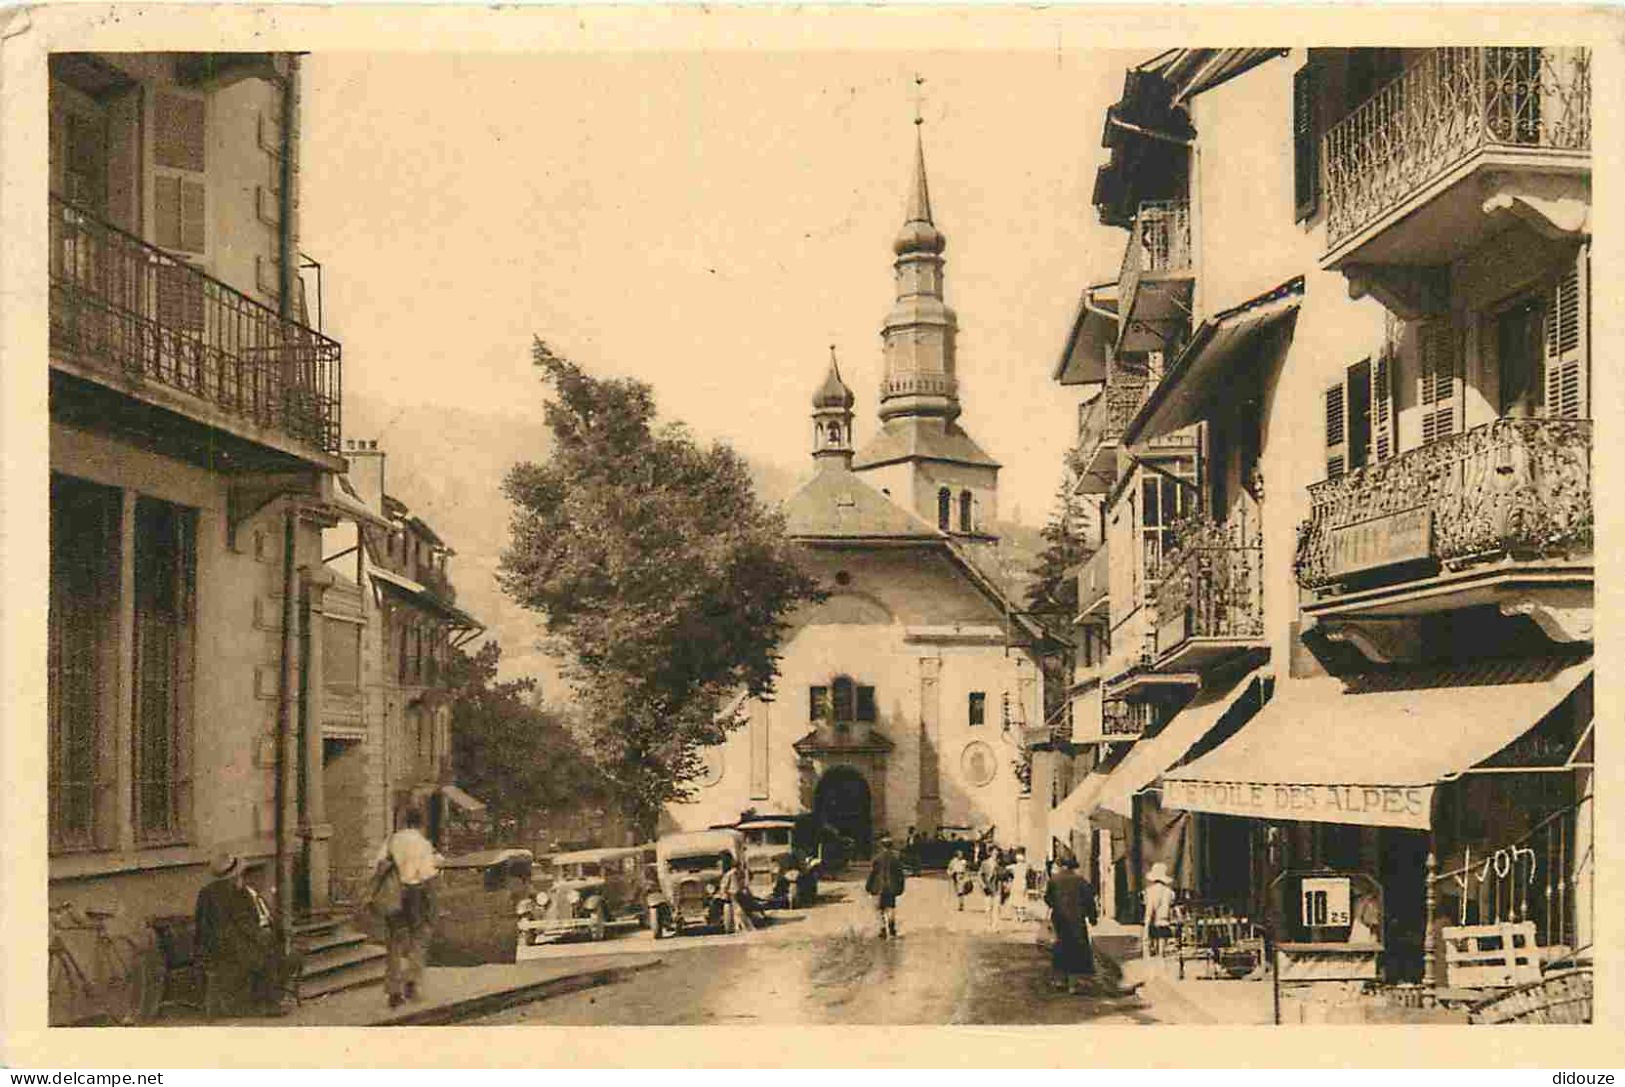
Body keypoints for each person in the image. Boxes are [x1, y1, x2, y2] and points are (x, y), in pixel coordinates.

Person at [193, 852, 291, 1017]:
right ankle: (266, 1004)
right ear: (235, 875)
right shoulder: (237, 892)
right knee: (266, 956)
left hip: (213, 945)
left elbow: (202, 924)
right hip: (231, 947)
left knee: (263, 951)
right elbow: (245, 924)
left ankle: (263, 1001)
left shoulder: (206, 892)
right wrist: (261, 937)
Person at [372, 807, 444, 1009]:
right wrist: (432, 902)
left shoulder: (392, 840)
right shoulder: (423, 844)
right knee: (419, 938)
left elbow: (379, 865)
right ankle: (411, 981)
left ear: (404, 822)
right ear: (421, 824)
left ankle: (393, 992)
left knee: (394, 943)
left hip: (394, 894)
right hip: (415, 894)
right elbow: (428, 874)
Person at [1044, 853, 1099, 994]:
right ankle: (1072, 985)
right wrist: (1093, 918)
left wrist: (1057, 906)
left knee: (1061, 946)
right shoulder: (1081, 881)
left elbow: (1048, 899)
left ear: (1062, 866)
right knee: (1075, 949)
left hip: (1060, 919)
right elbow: (1089, 901)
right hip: (1077, 920)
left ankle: (1060, 980)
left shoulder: (1054, 881)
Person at [865, 833, 907, 938]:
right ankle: (892, 927)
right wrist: (901, 886)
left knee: (881, 908)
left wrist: (868, 886)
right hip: (892, 887)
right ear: (891, 845)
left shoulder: (877, 858)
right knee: (891, 907)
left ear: (882, 846)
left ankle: (883, 928)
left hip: (880, 887)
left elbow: (873, 873)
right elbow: (900, 874)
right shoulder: (896, 859)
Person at [1142, 861, 1177, 961]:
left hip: (1153, 919)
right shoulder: (1169, 892)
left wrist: (1146, 923)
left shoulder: (1149, 891)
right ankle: (1161, 954)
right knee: (1162, 941)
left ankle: (1153, 951)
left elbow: (1148, 907)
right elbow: (1171, 904)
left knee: (1152, 938)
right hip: (1164, 919)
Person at [718, 853, 756, 933]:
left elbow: (734, 889)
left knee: (738, 911)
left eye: (720, 861)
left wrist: (728, 892)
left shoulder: (732, 873)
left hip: (732, 897)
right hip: (731, 896)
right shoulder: (730, 873)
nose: (718, 864)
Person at [979, 848, 1003, 930]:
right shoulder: (985, 863)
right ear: (990, 853)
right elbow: (979, 875)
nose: (995, 855)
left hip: (996, 888)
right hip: (987, 889)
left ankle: (995, 926)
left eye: (997, 854)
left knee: (996, 908)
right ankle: (988, 925)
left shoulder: (999, 864)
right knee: (988, 908)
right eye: (994, 853)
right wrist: (983, 886)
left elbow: (1001, 877)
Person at [1010, 850, 1032, 922]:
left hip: (1016, 882)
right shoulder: (1025, 867)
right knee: (1022, 899)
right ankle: (1021, 916)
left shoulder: (1014, 867)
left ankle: (1017, 916)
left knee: (1016, 899)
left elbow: (1007, 868)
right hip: (1022, 883)